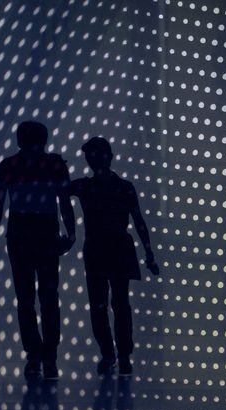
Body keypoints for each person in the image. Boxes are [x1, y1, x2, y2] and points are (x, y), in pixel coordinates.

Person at [0, 120, 76, 381]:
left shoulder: (8, 166)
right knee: (47, 296)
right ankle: (48, 357)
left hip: (21, 232)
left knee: (26, 298)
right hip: (44, 232)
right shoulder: (54, 165)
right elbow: (65, 203)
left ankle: (36, 356)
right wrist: (71, 234)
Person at [69, 137, 159, 375]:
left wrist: (149, 253)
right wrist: (148, 253)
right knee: (115, 304)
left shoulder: (89, 187)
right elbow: (138, 220)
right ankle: (117, 355)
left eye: (95, 156)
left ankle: (114, 355)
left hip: (106, 248)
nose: (92, 161)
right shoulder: (119, 187)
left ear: (108, 156)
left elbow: (138, 220)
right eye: (90, 156)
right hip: (112, 248)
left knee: (109, 305)